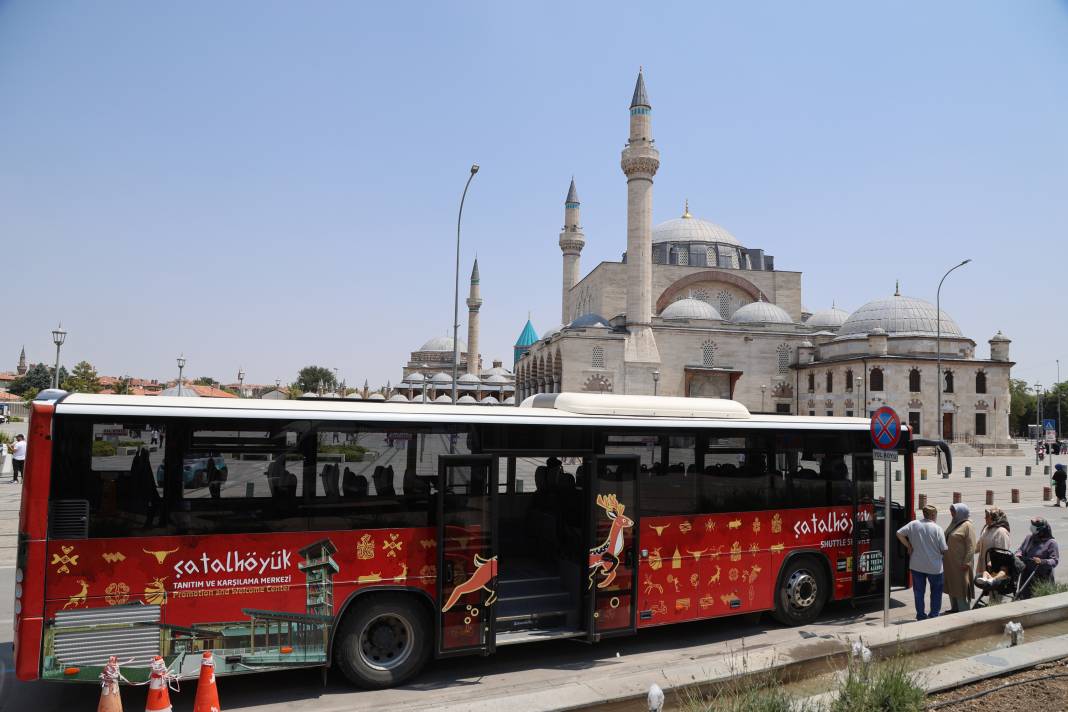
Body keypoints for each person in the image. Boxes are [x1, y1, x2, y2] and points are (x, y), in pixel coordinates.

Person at [896, 504, 948, 619]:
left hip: (916, 565)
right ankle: (934, 614)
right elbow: (944, 549)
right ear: (934, 515)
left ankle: (920, 615)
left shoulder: (914, 524)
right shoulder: (937, 528)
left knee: (919, 592)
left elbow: (899, 533)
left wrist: (908, 546)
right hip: (934, 567)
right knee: (936, 592)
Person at [943, 503, 977, 613]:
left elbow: (971, 546)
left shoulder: (967, 525)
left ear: (960, 512)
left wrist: (967, 562)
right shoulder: (954, 523)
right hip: (950, 563)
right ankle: (954, 608)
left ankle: (964, 611)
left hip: (961, 564)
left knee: (961, 587)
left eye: (954, 511)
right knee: (952, 585)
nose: (951, 513)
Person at [1016, 517, 1059, 599]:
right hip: (1026, 576)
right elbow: (1021, 549)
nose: (1032, 528)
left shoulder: (1051, 543)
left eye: (1034, 527)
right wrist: (1018, 554)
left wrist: (1042, 561)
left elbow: (1054, 561)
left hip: (1041, 578)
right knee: (1023, 598)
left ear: (1041, 531)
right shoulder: (1029, 538)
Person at [974, 507, 1013, 591]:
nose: (985, 518)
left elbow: (1003, 554)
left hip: (995, 569)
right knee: (987, 590)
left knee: (995, 595)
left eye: (987, 516)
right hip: (985, 567)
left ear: (994, 517)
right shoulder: (986, 528)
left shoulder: (1001, 532)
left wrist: (995, 564)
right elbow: (979, 544)